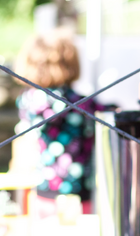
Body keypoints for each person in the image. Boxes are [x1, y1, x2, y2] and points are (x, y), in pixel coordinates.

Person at [13, 29, 109, 217]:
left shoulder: (30, 99)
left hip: (46, 186)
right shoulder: (73, 100)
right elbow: (103, 111)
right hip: (75, 189)